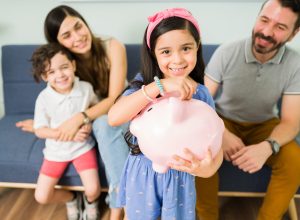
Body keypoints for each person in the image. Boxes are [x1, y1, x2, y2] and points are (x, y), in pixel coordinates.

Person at [108, 8, 223, 220]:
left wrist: (207, 169)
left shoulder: (201, 94)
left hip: (181, 178)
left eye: (186, 48)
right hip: (142, 175)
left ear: (197, 47)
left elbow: (216, 144)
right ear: (154, 54)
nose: (177, 59)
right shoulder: (144, 86)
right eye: (166, 52)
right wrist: (160, 86)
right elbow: (114, 117)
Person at [15, 5, 129, 219]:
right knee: (101, 125)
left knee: (104, 124)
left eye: (78, 26)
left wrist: (80, 118)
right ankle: (116, 203)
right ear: (57, 43)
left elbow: (114, 99)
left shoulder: (112, 46)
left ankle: (117, 206)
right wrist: (48, 128)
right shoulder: (63, 66)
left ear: (84, 22)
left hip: (118, 112)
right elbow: (59, 104)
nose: (78, 37)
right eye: (67, 35)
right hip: (92, 123)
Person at [196, 0, 300, 219]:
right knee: (200, 147)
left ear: (293, 34)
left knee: (294, 158)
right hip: (223, 120)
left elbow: (290, 121)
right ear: (257, 18)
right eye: (264, 20)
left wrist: (268, 146)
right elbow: (201, 106)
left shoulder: (295, 64)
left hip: (264, 125)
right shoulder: (227, 52)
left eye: (280, 27)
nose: (266, 31)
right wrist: (221, 134)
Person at [31, 43, 100, 220]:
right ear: (44, 76)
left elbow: (94, 108)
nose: (60, 75)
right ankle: (72, 198)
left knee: (93, 190)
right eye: (51, 72)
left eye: (64, 67)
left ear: (73, 66)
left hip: (82, 148)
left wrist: (87, 124)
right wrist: (67, 134)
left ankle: (90, 203)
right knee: (41, 196)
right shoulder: (44, 98)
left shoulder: (85, 88)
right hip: (56, 152)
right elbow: (39, 130)